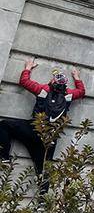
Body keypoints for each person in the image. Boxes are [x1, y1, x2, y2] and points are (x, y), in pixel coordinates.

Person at [0, 59, 85, 188]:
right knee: (44, 169)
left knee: (4, 125)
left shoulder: (43, 90)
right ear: (65, 85)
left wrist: (28, 67)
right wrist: (76, 76)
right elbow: (82, 92)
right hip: (49, 138)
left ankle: (4, 158)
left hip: (33, 130)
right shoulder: (69, 95)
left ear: (51, 82)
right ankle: (42, 203)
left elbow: (24, 81)